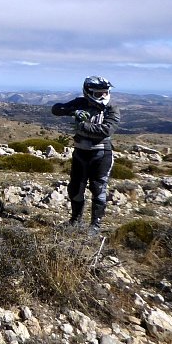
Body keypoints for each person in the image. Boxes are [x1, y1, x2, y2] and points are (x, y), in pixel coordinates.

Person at [52, 76, 121, 233]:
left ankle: (95, 225)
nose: (103, 96)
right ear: (88, 93)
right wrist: (73, 111)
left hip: (101, 153)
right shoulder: (80, 102)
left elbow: (106, 130)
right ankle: (75, 221)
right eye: (98, 94)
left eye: (105, 93)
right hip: (80, 152)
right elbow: (56, 109)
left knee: (98, 189)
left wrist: (82, 125)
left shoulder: (112, 108)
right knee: (75, 188)